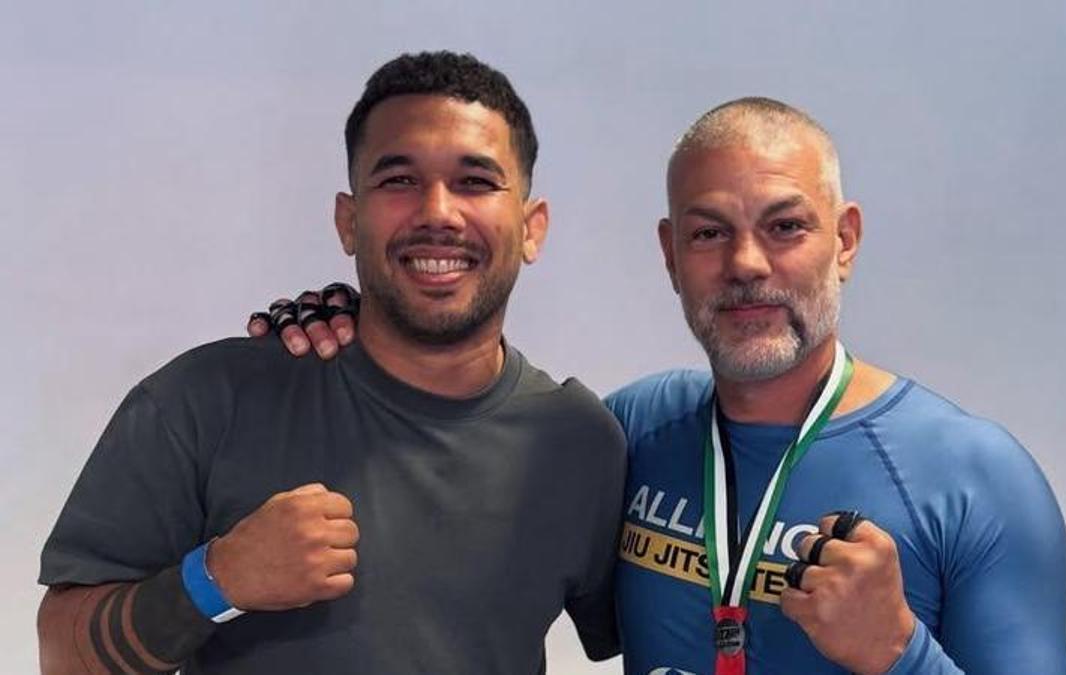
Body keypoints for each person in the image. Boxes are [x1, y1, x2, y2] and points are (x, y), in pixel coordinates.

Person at [265, 98, 1066, 674]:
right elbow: (465, 437)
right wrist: (362, 321)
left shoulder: (976, 476)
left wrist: (900, 654)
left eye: (785, 227)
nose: (746, 263)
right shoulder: (629, 432)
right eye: (708, 232)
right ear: (670, 253)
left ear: (846, 240)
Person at [37, 51, 626, 675]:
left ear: (532, 228)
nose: (437, 211)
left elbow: (657, 634)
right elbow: (61, 654)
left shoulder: (581, 442)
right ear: (349, 221)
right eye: (398, 180)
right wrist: (215, 582)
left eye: (475, 181)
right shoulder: (206, 400)